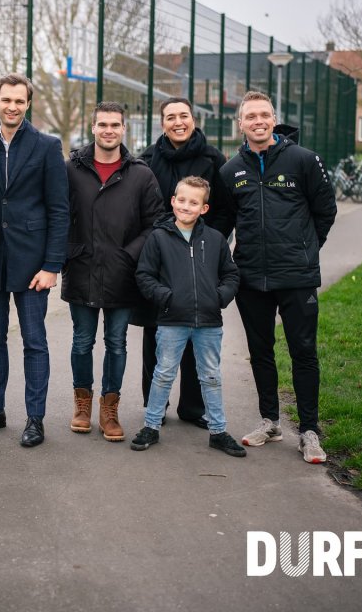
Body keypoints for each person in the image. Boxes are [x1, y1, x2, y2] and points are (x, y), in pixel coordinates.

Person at [217, 91, 337, 464]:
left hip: (297, 277)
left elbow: (325, 210)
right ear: (240, 123)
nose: (258, 121)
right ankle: (270, 421)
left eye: (264, 115)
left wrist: (305, 250)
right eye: (250, 116)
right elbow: (223, 223)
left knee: (303, 352)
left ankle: (310, 431)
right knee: (260, 352)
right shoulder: (230, 170)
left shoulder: (303, 160)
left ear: (274, 119)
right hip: (251, 278)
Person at [0, 73, 68, 448]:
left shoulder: (46, 146)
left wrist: (52, 265)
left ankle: (35, 418)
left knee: (34, 340)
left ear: (27, 104)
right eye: (6, 99)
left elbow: (59, 210)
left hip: (33, 264)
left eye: (19, 101)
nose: (12, 106)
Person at [62, 102, 164, 441]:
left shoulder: (141, 174)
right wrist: (66, 254)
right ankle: (81, 404)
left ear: (123, 129)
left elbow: (156, 222)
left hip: (123, 274)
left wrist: (128, 255)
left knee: (116, 343)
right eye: (102, 124)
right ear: (93, 127)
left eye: (115, 125)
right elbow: (59, 215)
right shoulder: (72, 169)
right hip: (82, 269)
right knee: (81, 342)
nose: (109, 130)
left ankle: (110, 409)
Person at [131, 176, 244, 456]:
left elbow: (231, 273)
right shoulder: (159, 237)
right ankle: (151, 426)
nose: (186, 206)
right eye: (181, 200)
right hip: (171, 320)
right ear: (173, 201)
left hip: (208, 322)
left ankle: (218, 430)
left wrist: (219, 297)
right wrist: (166, 297)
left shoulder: (215, 239)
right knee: (163, 373)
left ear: (203, 208)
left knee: (211, 375)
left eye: (194, 202)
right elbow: (144, 275)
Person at [136, 97, 227, 429]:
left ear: (193, 119)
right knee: (154, 336)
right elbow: (144, 208)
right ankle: (155, 407)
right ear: (162, 123)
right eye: (171, 117)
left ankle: (193, 406)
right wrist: (165, 235)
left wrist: (209, 243)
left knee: (197, 332)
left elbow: (224, 209)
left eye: (184, 116)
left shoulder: (214, 159)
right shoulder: (146, 161)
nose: (178, 122)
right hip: (160, 256)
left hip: (201, 256)